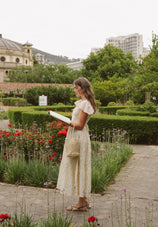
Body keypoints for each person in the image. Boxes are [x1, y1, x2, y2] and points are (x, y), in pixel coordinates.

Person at [57, 77, 97, 211]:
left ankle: (81, 202)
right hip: (78, 137)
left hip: (79, 138)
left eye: (75, 87)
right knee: (80, 166)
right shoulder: (82, 103)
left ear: (81, 88)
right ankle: (84, 201)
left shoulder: (85, 104)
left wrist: (66, 122)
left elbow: (79, 125)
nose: (74, 90)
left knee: (80, 167)